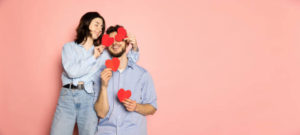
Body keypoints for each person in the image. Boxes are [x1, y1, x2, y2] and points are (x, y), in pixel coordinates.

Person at [50, 12, 139, 135]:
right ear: (86, 24)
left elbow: (127, 62)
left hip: (89, 97)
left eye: (102, 26)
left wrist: (134, 46)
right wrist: (93, 57)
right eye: (96, 24)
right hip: (67, 97)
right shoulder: (69, 48)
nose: (100, 29)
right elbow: (71, 72)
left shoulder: (104, 53)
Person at [94, 25, 157, 135]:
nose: (115, 43)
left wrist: (136, 107)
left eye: (119, 39)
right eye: (111, 40)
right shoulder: (100, 74)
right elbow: (101, 113)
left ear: (127, 43)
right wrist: (104, 86)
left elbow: (152, 108)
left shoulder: (142, 75)